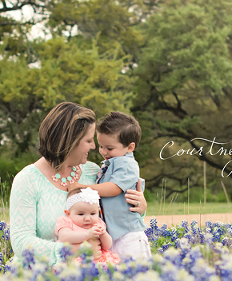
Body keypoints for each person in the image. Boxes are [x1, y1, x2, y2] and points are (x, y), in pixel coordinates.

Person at [9, 102, 147, 263]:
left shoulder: (92, 172)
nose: (95, 146)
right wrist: (72, 251)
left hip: (93, 272)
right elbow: (21, 242)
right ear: (69, 141)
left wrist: (140, 208)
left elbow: (114, 213)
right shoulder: (27, 180)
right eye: (88, 141)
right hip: (41, 275)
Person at [68, 111, 152, 260]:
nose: (103, 151)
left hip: (129, 236)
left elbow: (113, 188)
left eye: (109, 148)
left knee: (138, 273)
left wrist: (81, 187)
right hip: (114, 235)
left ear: (130, 147)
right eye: (101, 146)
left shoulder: (127, 164)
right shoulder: (110, 163)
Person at [55, 188, 120, 264]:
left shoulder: (98, 224)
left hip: (99, 260)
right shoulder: (67, 222)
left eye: (92, 213)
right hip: (75, 260)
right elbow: (64, 237)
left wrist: (104, 235)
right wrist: (87, 234)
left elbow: (107, 246)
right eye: (81, 214)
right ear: (68, 213)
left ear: (99, 211)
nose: (87, 218)